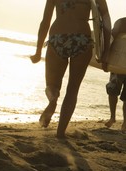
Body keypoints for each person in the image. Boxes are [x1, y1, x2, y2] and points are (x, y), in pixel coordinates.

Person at [31, 0, 111, 138]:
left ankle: (52, 100)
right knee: (73, 90)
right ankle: (60, 133)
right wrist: (105, 52)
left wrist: (38, 50)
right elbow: (106, 21)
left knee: (52, 85)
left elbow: (45, 21)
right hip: (82, 39)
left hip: (58, 37)